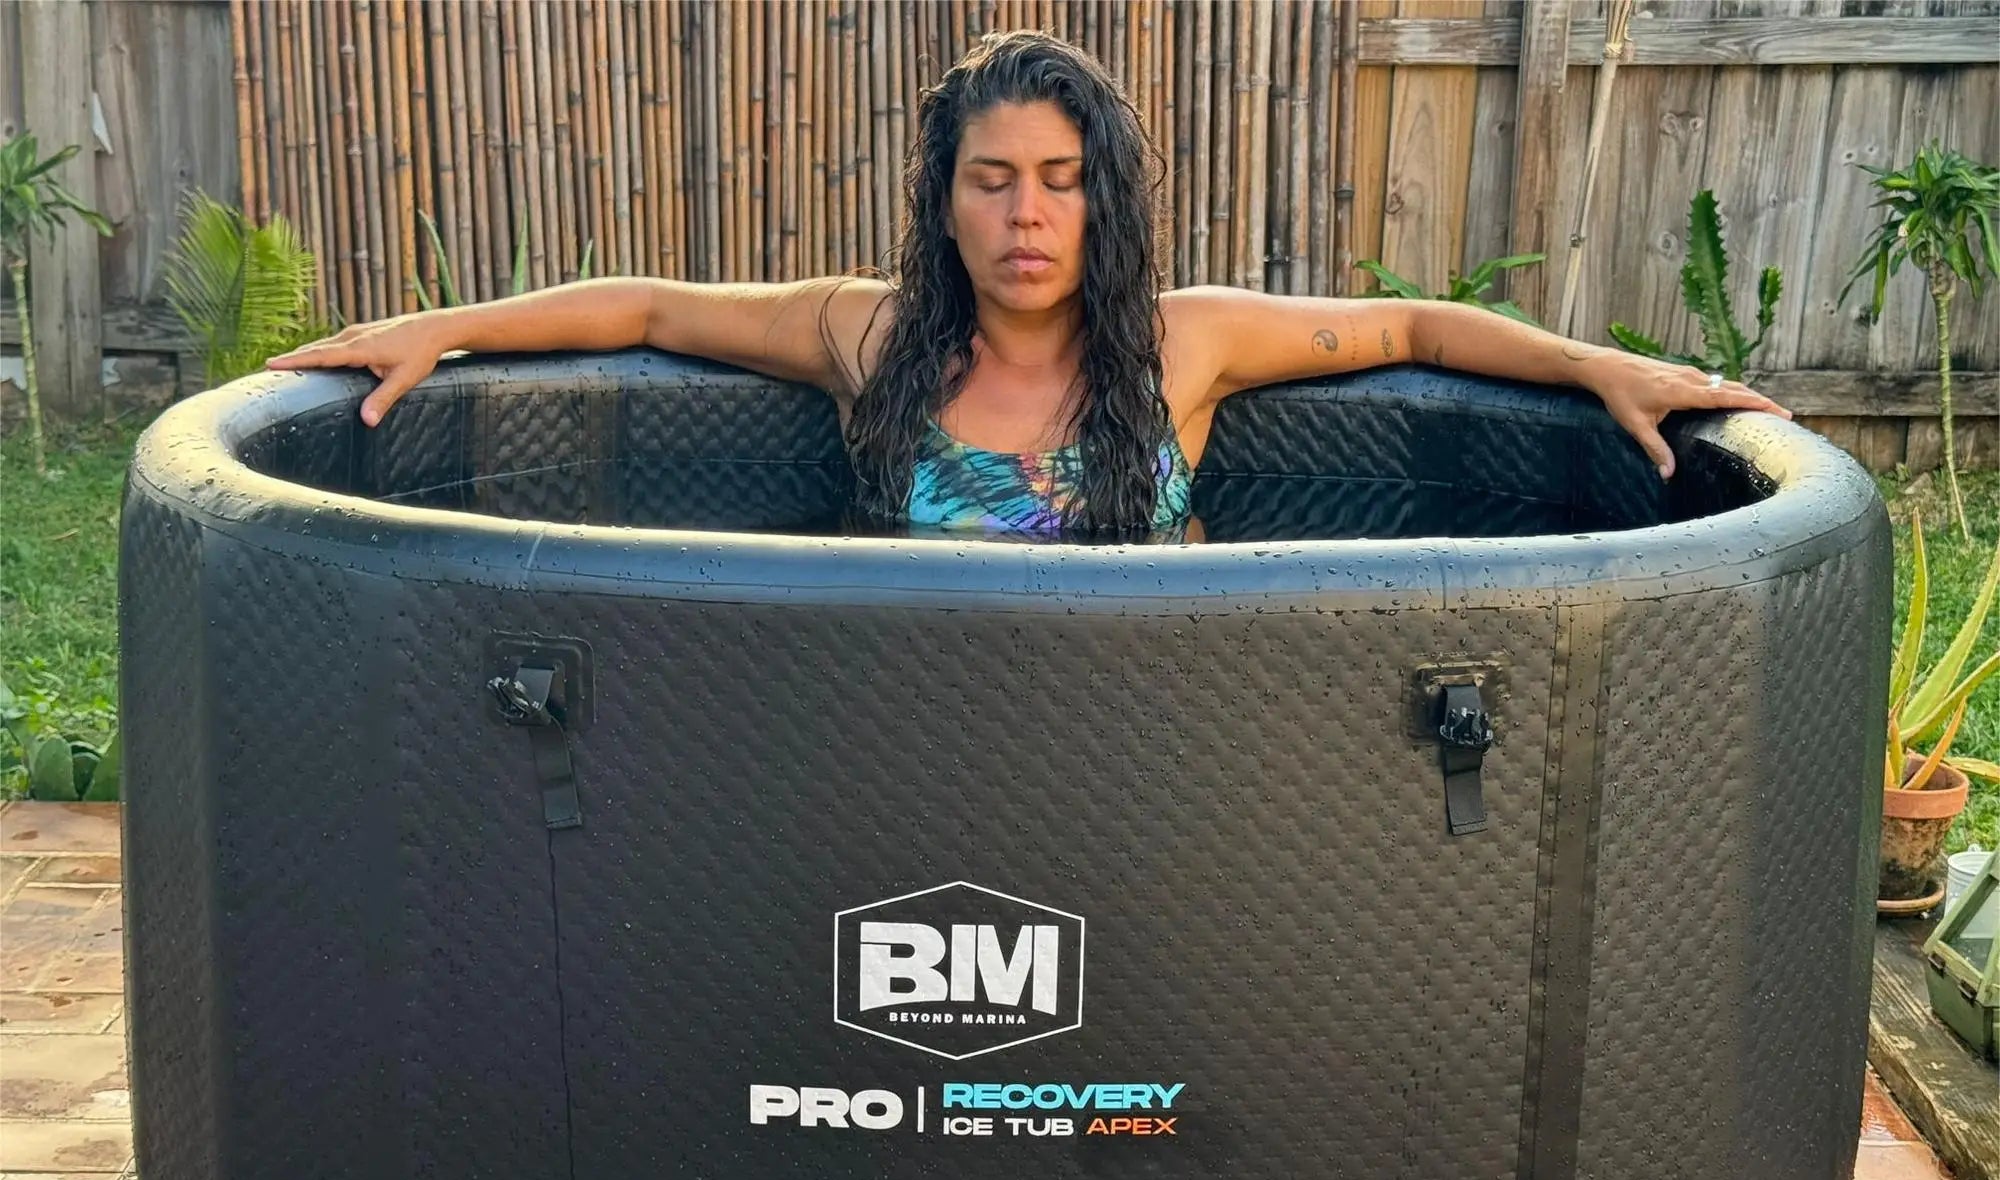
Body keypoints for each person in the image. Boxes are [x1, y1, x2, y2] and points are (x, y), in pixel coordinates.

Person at [267, 29, 1790, 541]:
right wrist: (450, 324)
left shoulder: (1182, 350)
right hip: (925, 743)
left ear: (1102, 200)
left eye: (1060, 181)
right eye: (992, 179)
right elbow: (654, 308)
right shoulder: (864, 338)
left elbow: (1406, 325)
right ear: (945, 199)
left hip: (1144, 756)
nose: (1027, 215)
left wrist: (1600, 365)